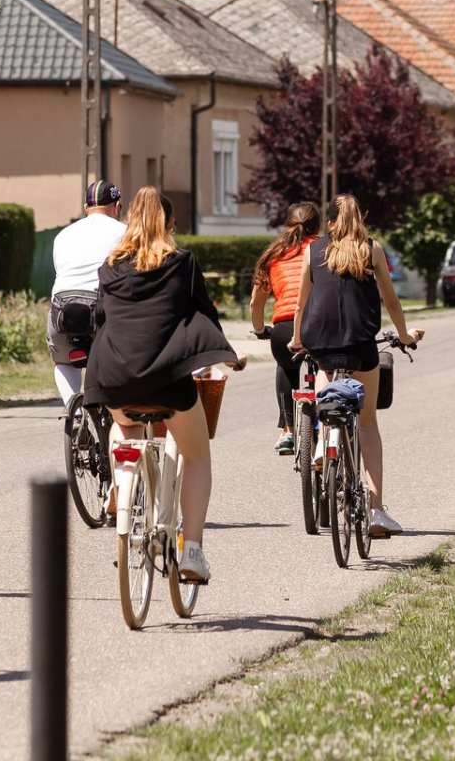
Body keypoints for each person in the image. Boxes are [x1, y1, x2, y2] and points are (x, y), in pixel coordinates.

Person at [86, 188, 240, 579]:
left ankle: (120, 490)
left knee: (124, 426)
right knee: (198, 453)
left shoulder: (110, 266)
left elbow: (101, 319)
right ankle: (193, 551)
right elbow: (204, 313)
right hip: (167, 382)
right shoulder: (182, 263)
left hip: (113, 378)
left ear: (128, 222)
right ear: (169, 225)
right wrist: (221, 356)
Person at [293, 194, 420, 535]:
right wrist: (405, 335)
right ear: (359, 220)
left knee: (322, 370)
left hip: (319, 339)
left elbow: (301, 303)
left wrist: (296, 338)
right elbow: (391, 301)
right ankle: (376, 510)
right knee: (367, 425)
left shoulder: (313, 250)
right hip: (361, 344)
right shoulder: (372, 249)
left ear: (330, 223)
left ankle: (322, 440)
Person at [248, 201, 320, 456]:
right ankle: (326, 426)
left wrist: (259, 330)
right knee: (326, 367)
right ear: (318, 225)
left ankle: (288, 430)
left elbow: (257, 302)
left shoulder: (274, 254)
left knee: (286, 367)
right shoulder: (323, 248)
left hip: (284, 328)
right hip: (319, 324)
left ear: (287, 224)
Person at [47, 180, 128, 405]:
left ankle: (74, 409)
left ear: (85, 208)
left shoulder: (63, 235)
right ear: (117, 207)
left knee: (63, 360)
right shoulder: (125, 233)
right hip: (101, 310)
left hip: (62, 309)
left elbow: (61, 273)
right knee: (123, 358)